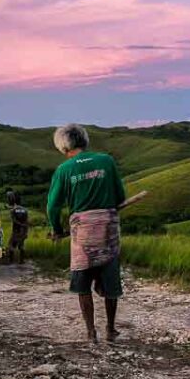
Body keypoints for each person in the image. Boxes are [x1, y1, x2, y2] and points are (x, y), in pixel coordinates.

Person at [46, 123, 126, 342]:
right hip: (108, 228)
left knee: (83, 283)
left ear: (63, 147)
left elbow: (52, 206)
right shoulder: (106, 161)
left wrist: (57, 229)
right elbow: (120, 196)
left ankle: (91, 332)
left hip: (82, 232)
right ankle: (110, 329)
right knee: (110, 282)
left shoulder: (64, 170)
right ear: (84, 140)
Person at [5, 189, 30, 264]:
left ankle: (11, 260)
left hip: (15, 231)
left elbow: (14, 220)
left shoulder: (13, 210)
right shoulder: (25, 210)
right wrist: (25, 230)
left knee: (11, 245)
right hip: (23, 231)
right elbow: (27, 221)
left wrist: (19, 224)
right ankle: (22, 260)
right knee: (21, 246)